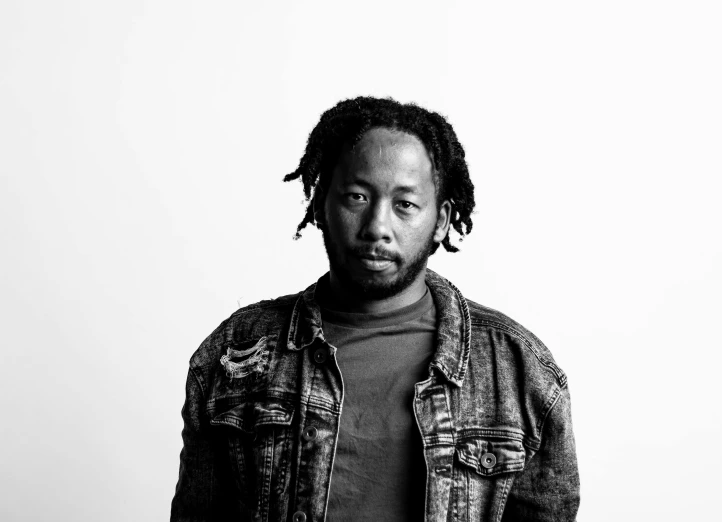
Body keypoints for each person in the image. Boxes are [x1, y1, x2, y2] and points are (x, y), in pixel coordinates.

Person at [170, 96, 580, 521]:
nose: (377, 228)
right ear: (319, 204)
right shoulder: (236, 357)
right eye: (357, 196)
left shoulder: (519, 370)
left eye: (405, 204)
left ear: (440, 221)